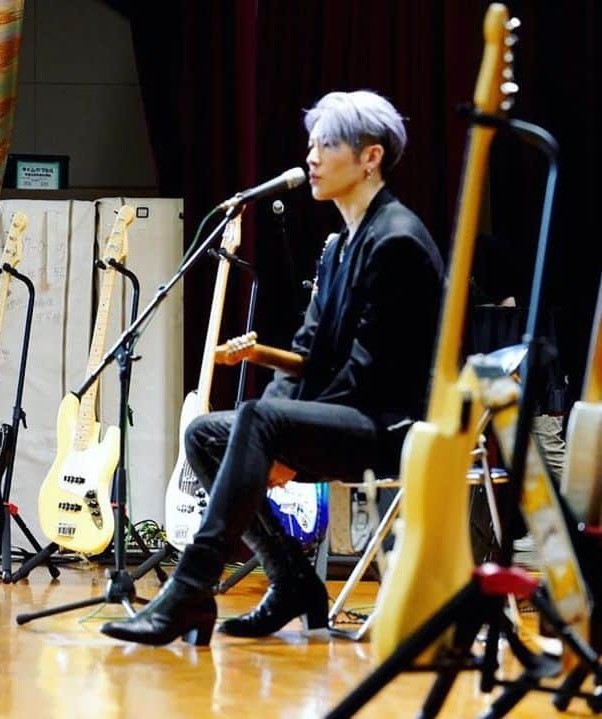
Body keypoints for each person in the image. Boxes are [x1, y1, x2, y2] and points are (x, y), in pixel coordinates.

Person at [102, 90, 444, 645]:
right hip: (346, 413)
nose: (310, 157)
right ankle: (293, 580)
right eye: (310, 145)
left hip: (391, 424)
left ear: (369, 157)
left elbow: (368, 377)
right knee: (206, 434)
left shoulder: (397, 241)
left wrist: (281, 439)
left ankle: (191, 587)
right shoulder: (338, 248)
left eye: (326, 145)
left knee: (257, 419)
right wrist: (275, 429)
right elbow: (307, 352)